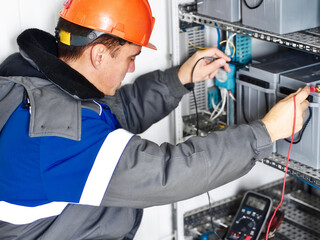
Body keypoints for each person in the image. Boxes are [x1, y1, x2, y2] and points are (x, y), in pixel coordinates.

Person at [0, 0, 309, 239]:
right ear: (98, 55)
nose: (132, 68)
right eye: (131, 58)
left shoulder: (31, 83)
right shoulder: (58, 137)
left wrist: (181, 78)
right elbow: (167, 174)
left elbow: (114, 113)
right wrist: (267, 132)